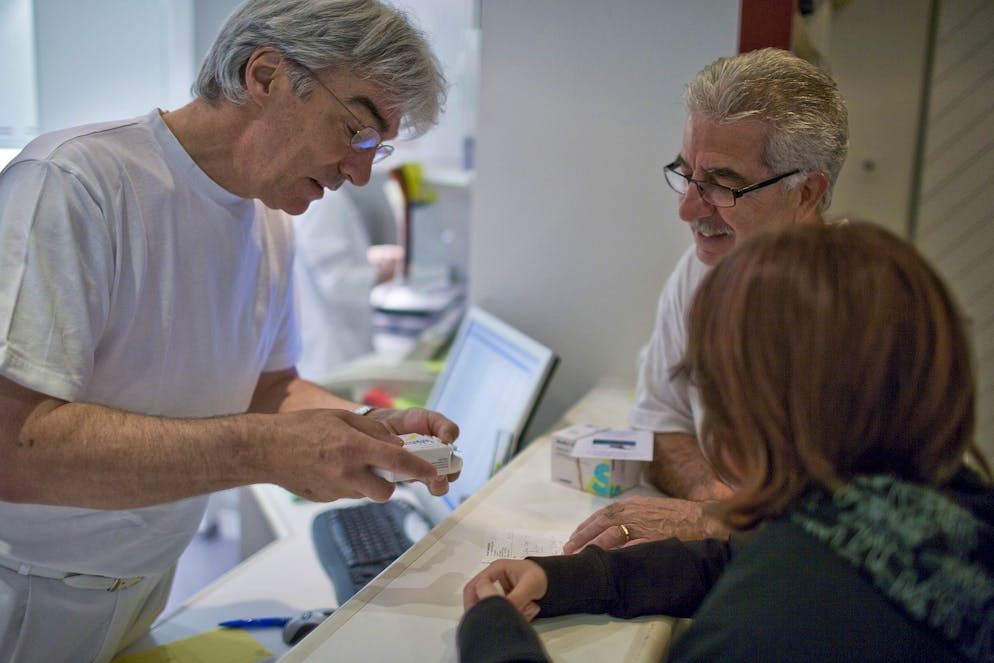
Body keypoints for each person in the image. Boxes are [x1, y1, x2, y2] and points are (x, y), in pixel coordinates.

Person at [0, 1, 453, 660]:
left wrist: (365, 429)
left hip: (146, 582)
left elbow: (269, 388)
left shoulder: (268, 222)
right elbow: (13, 447)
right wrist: (261, 451)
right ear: (264, 74)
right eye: (356, 130)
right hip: (22, 593)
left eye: (376, 149)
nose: (360, 172)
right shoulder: (76, 185)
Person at [460, 222, 994, 663]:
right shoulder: (941, 511)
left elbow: (772, 579)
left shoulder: (763, 630)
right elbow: (738, 556)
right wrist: (570, 578)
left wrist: (494, 640)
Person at [564, 47, 850, 553]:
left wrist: (717, 523)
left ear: (806, 194)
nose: (688, 209)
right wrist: (711, 499)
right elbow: (659, 420)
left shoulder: (865, 315)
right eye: (686, 174)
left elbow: (856, 530)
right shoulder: (700, 272)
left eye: (721, 185)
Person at [292, 188, 404, 383]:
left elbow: (323, 259)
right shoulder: (324, 201)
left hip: (327, 349)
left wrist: (367, 259)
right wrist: (395, 269)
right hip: (333, 352)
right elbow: (337, 282)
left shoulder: (325, 199)